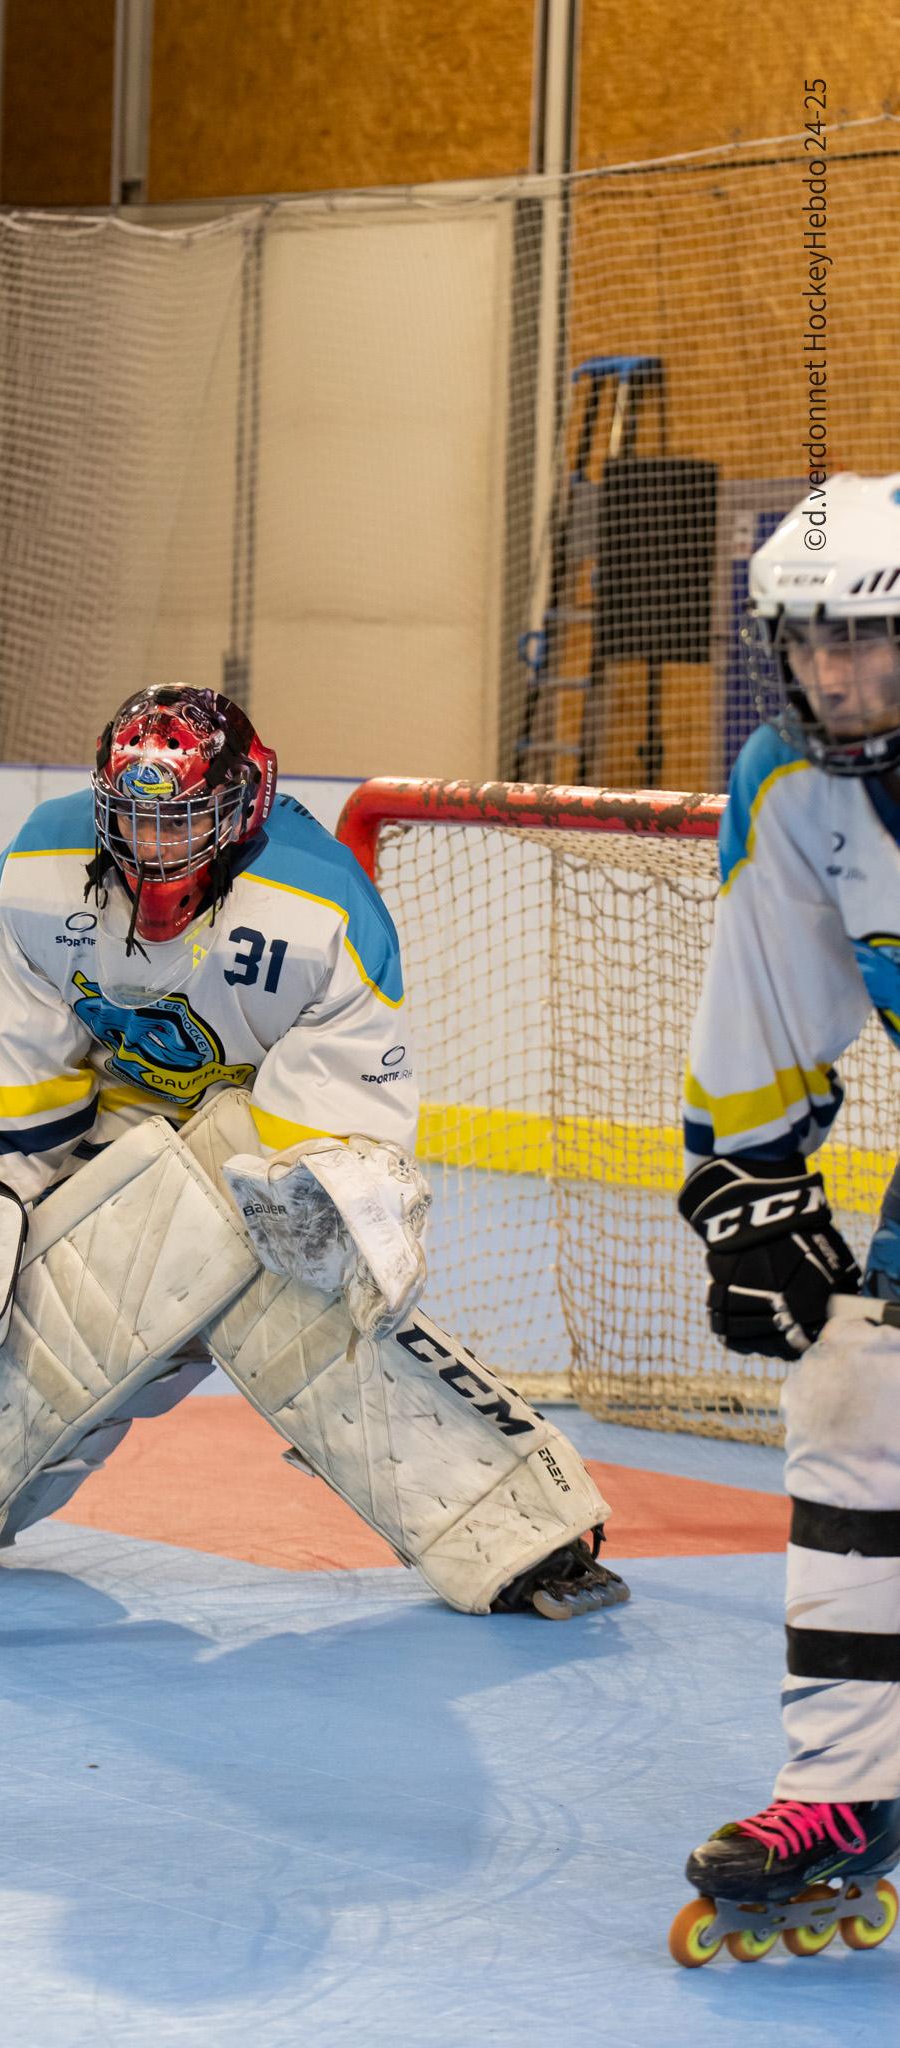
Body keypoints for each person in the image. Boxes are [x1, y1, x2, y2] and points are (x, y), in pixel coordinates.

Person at [0, 684, 627, 1626]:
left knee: (304, 1330)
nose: (153, 844)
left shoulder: (321, 911)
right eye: (134, 818)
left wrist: (306, 1225)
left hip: (266, 1141)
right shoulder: (38, 868)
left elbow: (337, 1124)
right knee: (48, 1311)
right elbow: (7, 1069)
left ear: (242, 802)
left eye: (180, 818)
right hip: (114, 1129)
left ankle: (516, 1531)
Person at [671, 474, 900, 1965]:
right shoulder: (793, 786)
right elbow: (763, 1018)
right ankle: (843, 1790)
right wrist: (749, 1195)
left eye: (863, 643)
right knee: (853, 1390)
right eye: (805, 642)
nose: (830, 673)